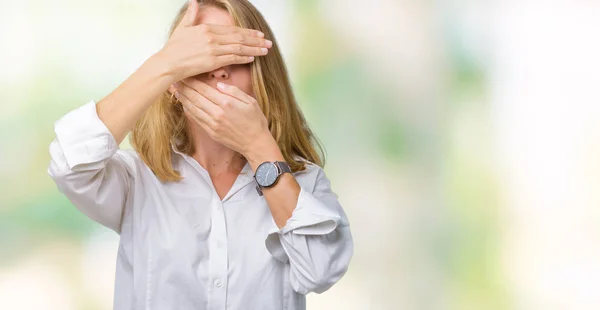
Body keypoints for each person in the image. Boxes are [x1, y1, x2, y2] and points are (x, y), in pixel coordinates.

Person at [47, 0, 353, 309]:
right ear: (173, 83)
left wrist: (258, 146)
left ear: (262, 78)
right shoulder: (136, 180)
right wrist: (163, 65)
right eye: (202, 55)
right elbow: (67, 163)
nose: (220, 71)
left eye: (236, 54)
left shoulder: (305, 184)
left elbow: (320, 271)